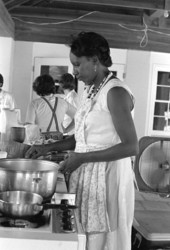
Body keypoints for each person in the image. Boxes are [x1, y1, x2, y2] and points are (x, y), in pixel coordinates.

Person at [25, 31, 139, 250]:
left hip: (108, 176)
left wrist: (83, 158)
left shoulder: (115, 92)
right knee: (86, 236)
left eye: (77, 65)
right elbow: (81, 139)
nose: (74, 72)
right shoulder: (89, 90)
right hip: (88, 171)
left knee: (106, 240)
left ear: (95, 61)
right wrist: (46, 148)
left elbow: (131, 146)